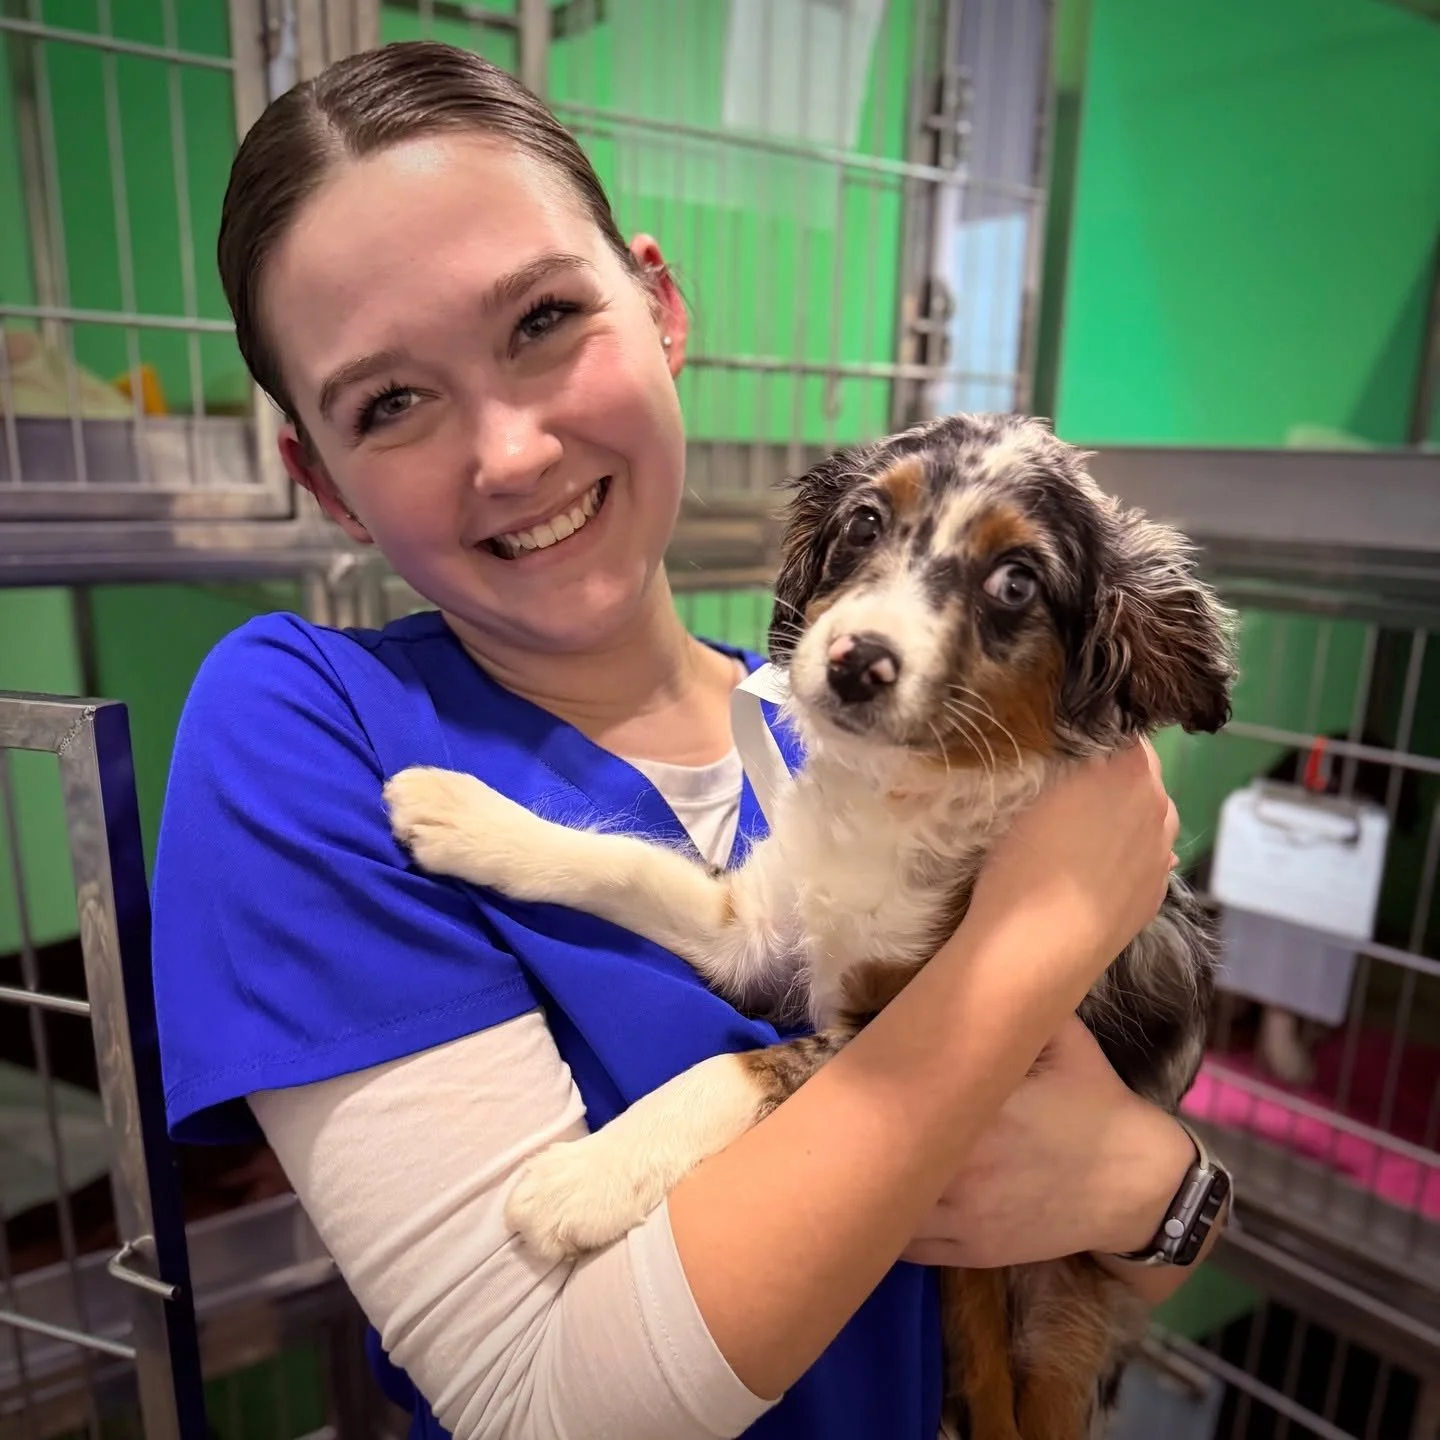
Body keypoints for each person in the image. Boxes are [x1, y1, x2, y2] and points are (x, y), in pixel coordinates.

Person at [150, 40, 1224, 1440]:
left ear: (655, 302)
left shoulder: (815, 731)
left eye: (541, 318)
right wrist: (1032, 947)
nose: (514, 452)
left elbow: (1132, 1238)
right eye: (390, 402)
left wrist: (1162, 1185)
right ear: (322, 481)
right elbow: (543, 1409)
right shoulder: (298, 726)